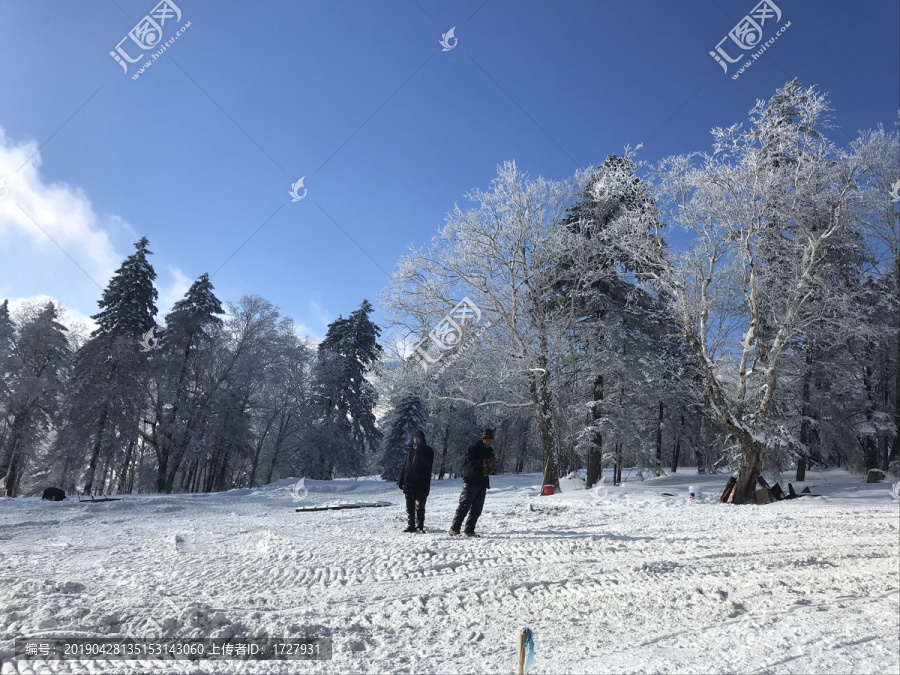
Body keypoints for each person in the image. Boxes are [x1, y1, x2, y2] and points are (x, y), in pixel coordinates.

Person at [450, 428, 498, 537]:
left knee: (477, 509)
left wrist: (493, 466)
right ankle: (454, 528)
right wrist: (485, 464)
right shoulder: (473, 448)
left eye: (491, 440)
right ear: (483, 439)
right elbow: (470, 464)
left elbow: (492, 466)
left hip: (483, 482)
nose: (490, 442)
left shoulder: (490, 451)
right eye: (488, 440)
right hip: (471, 481)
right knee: (464, 506)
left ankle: (469, 530)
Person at [397, 430, 434, 533]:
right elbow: (405, 466)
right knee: (410, 506)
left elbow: (427, 463)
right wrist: (400, 479)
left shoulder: (428, 451)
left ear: (422, 439)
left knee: (420, 506)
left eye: (417, 438)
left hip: (422, 482)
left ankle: (420, 526)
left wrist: (419, 451)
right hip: (409, 481)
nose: (415, 440)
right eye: (414, 438)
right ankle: (411, 525)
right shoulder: (410, 451)